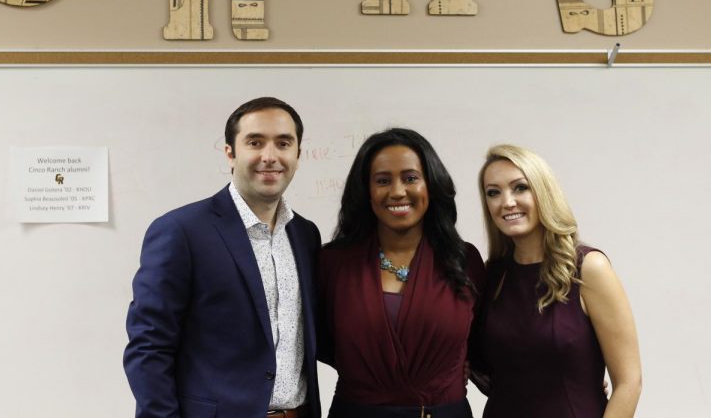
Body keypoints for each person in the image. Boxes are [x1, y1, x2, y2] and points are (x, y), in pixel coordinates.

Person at [124, 97, 321, 418]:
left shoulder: (305, 235)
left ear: (298, 155)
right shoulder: (181, 231)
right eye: (255, 142)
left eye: (283, 143)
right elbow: (149, 348)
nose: (270, 156)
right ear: (230, 153)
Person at [318, 128, 485, 418]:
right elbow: (321, 342)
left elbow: (483, 341)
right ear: (366, 191)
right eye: (383, 181)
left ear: (430, 186)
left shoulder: (464, 259)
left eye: (410, 178)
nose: (397, 191)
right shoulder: (332, 263)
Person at [472, 144, 641, 418]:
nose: (507, 202)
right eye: (493, 192)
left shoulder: (588, 269)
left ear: (543, 192)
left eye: (520, 187)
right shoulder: (492, 276)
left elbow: (629, 383)